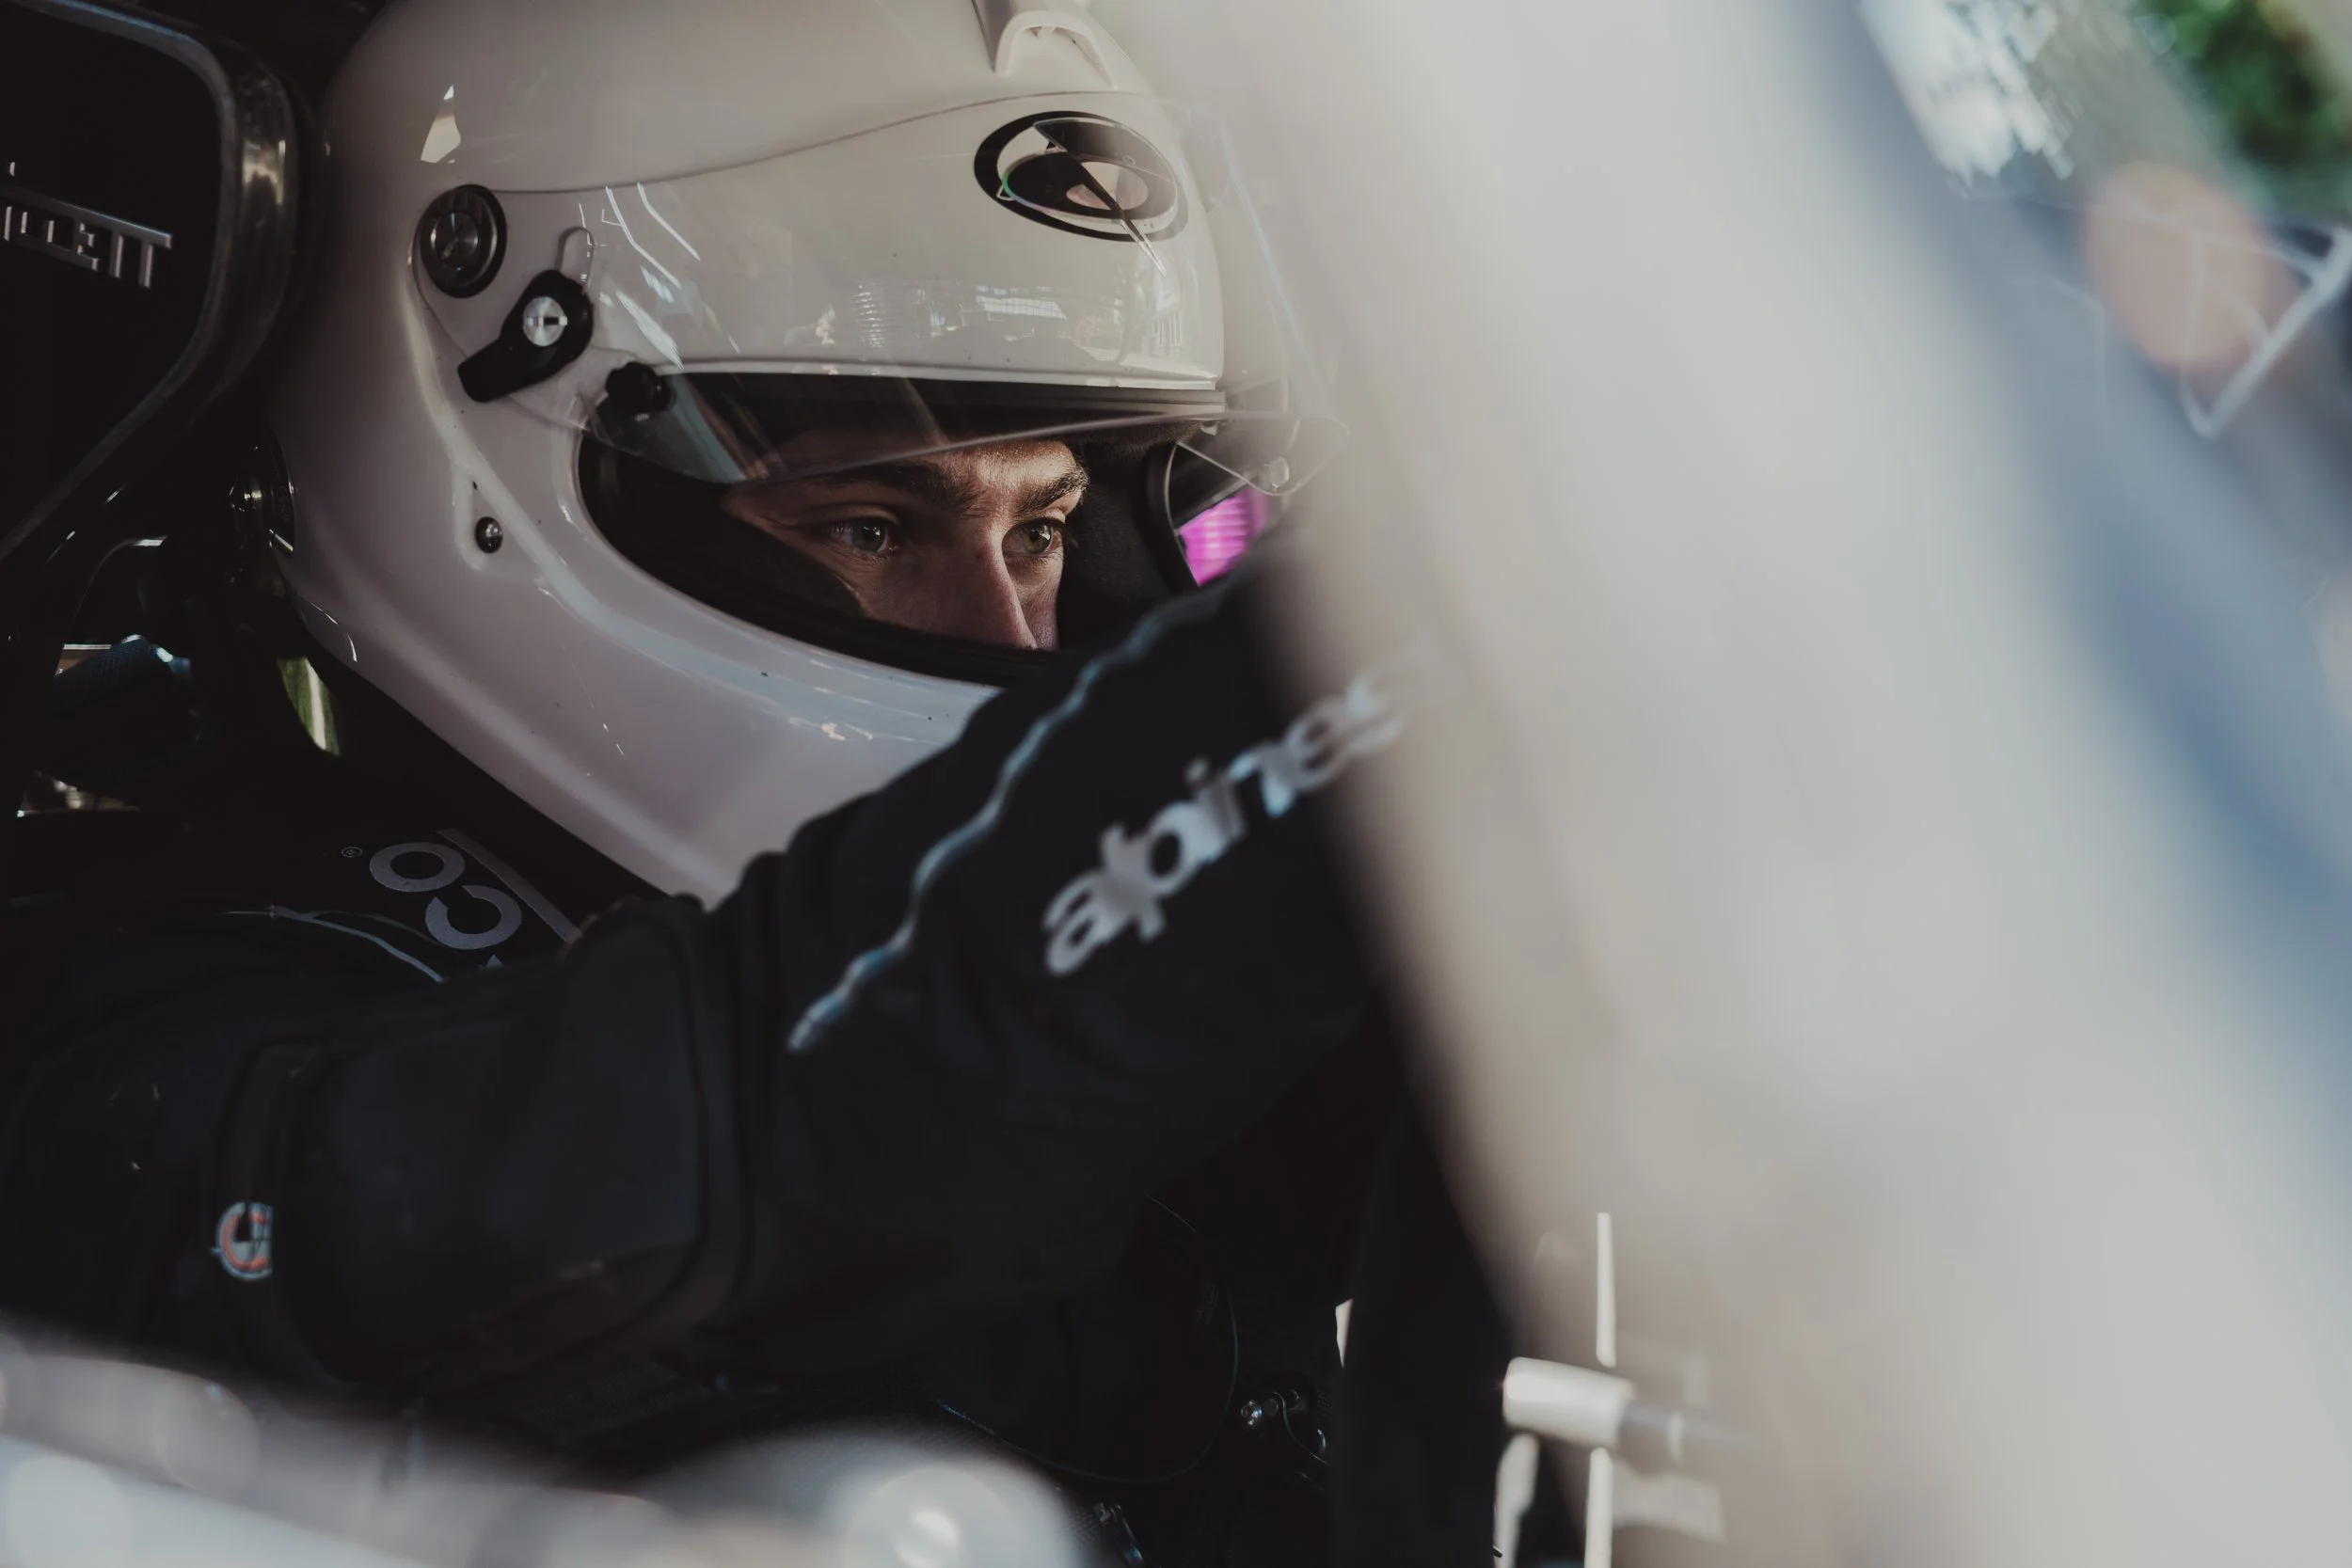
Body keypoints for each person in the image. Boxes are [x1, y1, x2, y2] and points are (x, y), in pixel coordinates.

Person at [0, 0, 1427, 1561]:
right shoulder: (153, 1041)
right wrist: (1301, 719)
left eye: (1041, 530)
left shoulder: (1111, 960)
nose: (1012, 634)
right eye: (870, 527)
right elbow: (765, 1123)